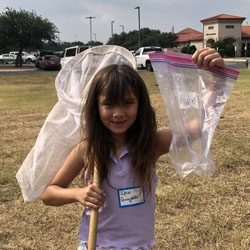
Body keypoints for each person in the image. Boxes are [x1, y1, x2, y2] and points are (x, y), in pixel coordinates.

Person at [41, 48, 225, 250]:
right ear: (96, 106)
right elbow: (49, 194)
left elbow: (198, 127)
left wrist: (217, 81)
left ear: (140, 105)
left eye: (128, 103)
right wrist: (78, 194)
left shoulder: (151, 144)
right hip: (94, 245)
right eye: (108, 104)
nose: (118, 113)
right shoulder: (88, 149)